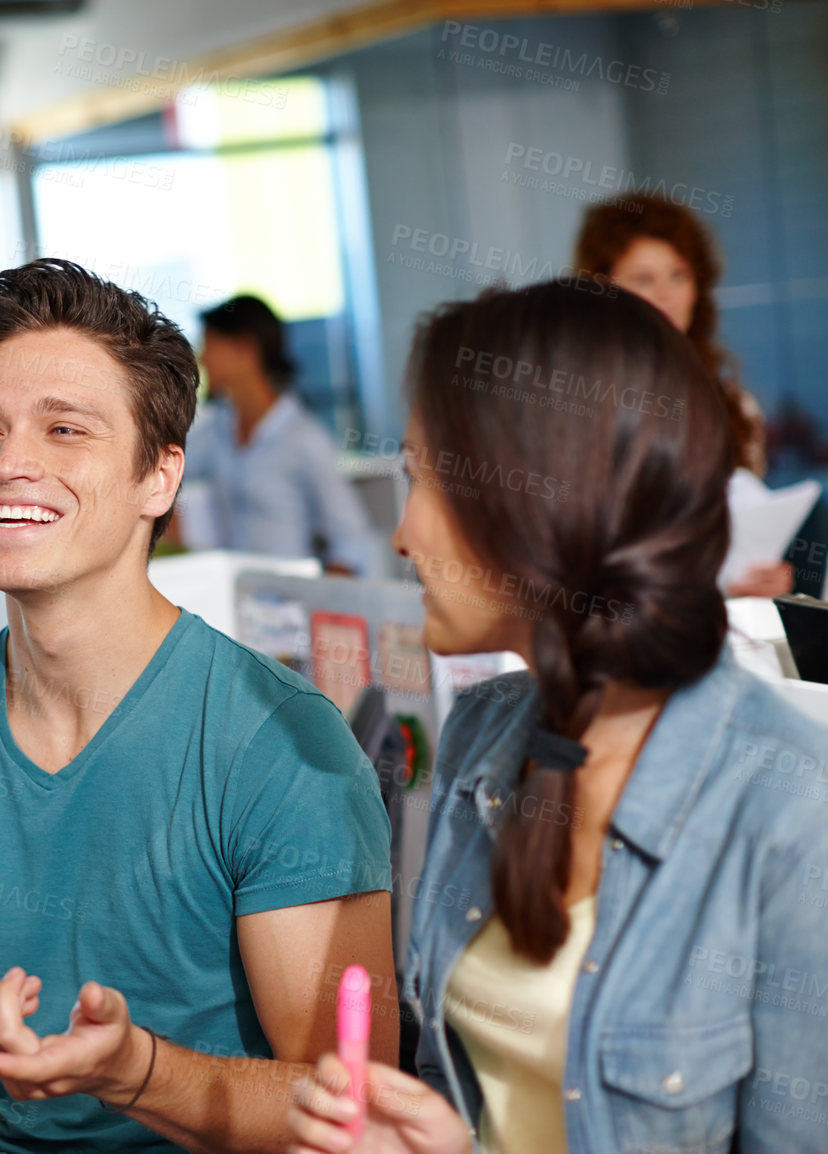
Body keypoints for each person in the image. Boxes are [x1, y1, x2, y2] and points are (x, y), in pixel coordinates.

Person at [0, 259, 396, 1154]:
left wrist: (135, 1073)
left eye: (66, 430)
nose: (9, 463)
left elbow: (350, 1104)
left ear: (158, 480)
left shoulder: (278, 740)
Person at [287, 282, 828, 1154]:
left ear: (539, 503)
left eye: (425, 483)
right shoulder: (483, 735)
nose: (403, 534)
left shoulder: (792, 811)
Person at [574, 193, 791, 598]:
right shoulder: (578, 402)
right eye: (643, 279)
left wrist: (762, 577)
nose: (665, 295)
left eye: (679, 276)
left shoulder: (733, 405)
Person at [182, 295, 375, 574]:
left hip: (289, 601)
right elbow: (166, 466)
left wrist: (320, 603)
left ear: (245, 349)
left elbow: (352, 541)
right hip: (233, 595)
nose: (203, 359)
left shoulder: (304, 438)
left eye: (210, 346)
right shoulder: (216, 431)